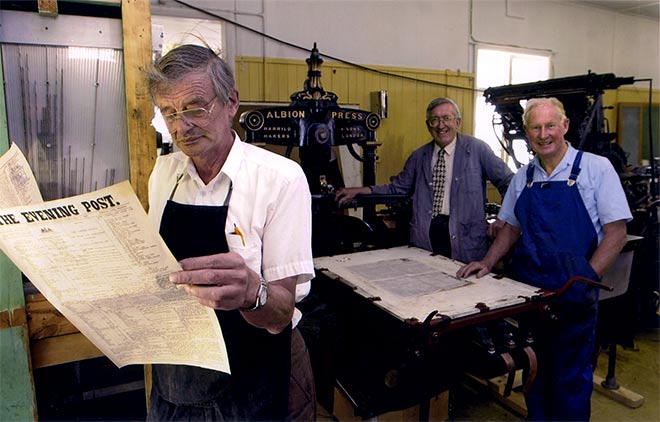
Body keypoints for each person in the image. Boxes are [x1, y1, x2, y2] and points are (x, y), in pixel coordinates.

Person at [145, 44, 316, 421]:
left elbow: (281, 312)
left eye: (194, 107)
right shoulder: (163, 175)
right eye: (169, 112)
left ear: (231, 103)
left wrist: (251, 293)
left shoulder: (280, 179)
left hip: (257, 374)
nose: (181, 125)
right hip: (178, 371)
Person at [457, 97, 631, 420]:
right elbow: (509, 228)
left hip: (573, 300)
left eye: (551, 125)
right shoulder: (523, 177)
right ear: (527, 132)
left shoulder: (595, 169)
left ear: (564, 126)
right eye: (535, 127)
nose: (544, 133)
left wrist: (585, 279)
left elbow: (616, 233)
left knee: (570, 385)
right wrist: (487, 260)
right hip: (531, 301)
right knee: (535, 378)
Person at [335, 97, 513, 263]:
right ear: (428, 126)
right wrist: (360, 190)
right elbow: (397, 189)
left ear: (457, 122)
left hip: (466, 242)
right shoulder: (419, 156)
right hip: (426, 239)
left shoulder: (477, 149)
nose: (441, 125)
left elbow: (508, 182)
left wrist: (503, 218)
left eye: (446, 118)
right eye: (434, 120)